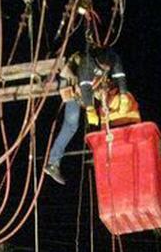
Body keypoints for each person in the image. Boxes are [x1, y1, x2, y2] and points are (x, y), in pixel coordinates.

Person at [44, 47, 128, 185]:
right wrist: (90, 109)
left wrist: (123, 95)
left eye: (108, 67)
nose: (106, 68)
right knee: (71, 124)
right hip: (72, 81)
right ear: (97, 62)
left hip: (91, 82)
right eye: (103, 66)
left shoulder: (114, 58)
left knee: (107, 102)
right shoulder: (87, 62)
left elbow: (120, 77)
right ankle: (53, 163)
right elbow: (85, 88)